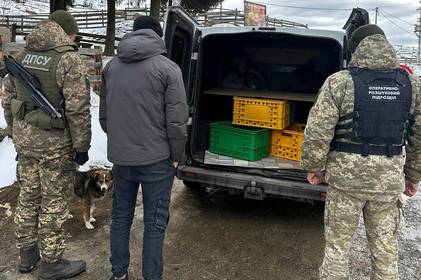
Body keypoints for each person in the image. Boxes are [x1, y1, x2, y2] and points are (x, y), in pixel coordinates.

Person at [301, 24, 420, 279]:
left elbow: (318, 129)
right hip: (387, 185)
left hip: (345, 184)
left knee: (337, 251)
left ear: (355, 50)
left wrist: (314, 166)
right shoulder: (412, 85)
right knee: (386, 254)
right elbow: (418, 136)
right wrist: (413, 176)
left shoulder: (339, 82)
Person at [1, 10, 91, 279]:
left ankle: (27, 256)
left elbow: (7, 102)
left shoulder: (20, 56)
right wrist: (82, 146)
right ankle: (52, 263)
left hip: (26, 144)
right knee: (53, 203)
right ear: (66, 32)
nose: (75, 39)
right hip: (55, 148)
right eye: (74, 34)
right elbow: (78, 109)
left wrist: (16, 132)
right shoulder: (69, 60)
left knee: (28, 198)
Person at [99, 16, 188, 280]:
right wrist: (176, 156)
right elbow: (176, 122)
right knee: (155, 223)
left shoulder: (110, 67)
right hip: (157, 160)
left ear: (134, 33)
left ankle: (118, 274)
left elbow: (105, 118)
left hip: (122, 160)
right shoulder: (169, 69)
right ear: (158, 36)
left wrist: (121, 142)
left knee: (121, 217)